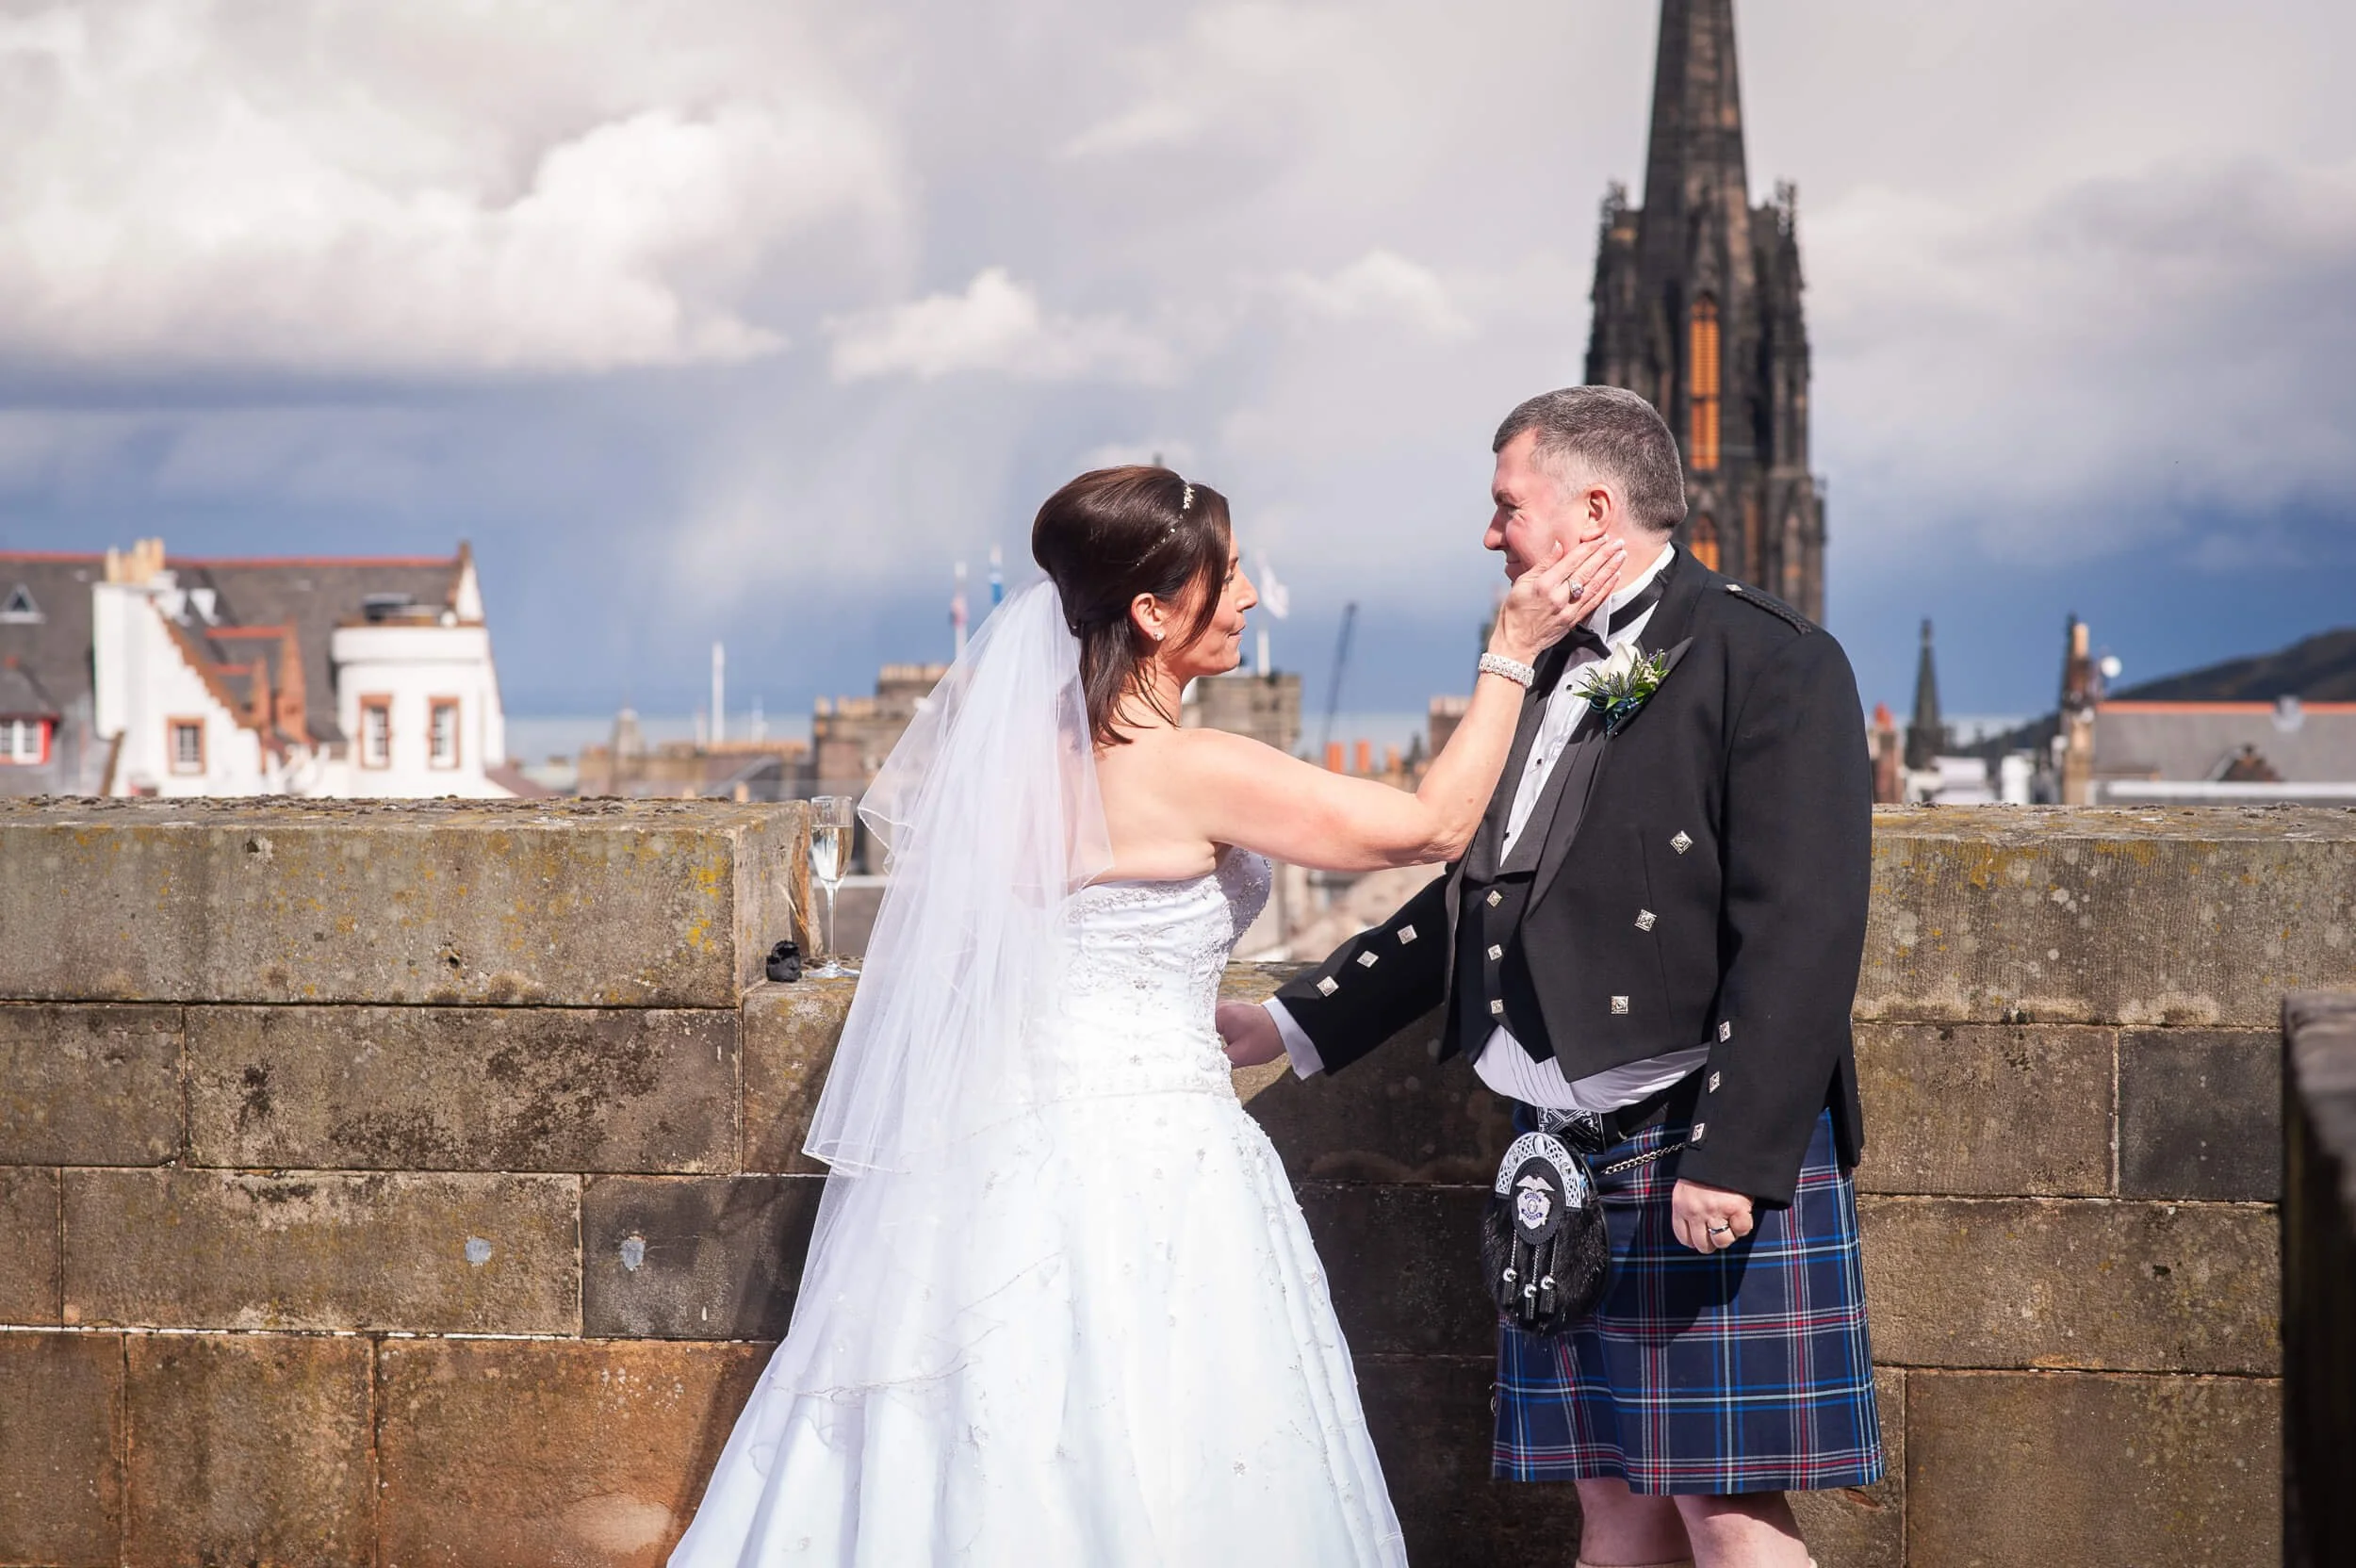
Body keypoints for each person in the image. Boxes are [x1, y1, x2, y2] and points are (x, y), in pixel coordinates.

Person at [669, 465, 1623, 1566]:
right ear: (1154, 611)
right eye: (1226, 575)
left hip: (989, 1152)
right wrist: (1510, 648)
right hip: (1154, 1156)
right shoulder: (1189, 767)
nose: (1252, 596)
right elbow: (1431, 825)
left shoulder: (1022, 765)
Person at [1220, 386, 1883, 1568]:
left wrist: (1736, 1153)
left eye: (1504, 505)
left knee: (1724, 1510)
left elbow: (1804, 926)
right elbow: (1481, 892)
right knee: (1611, 1509)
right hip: (1556, 1153)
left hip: (1686, 1135)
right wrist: (1294, 1018)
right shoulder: (1536, 666)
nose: (1489, 534)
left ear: (1589, 508)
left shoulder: (1767, 659)